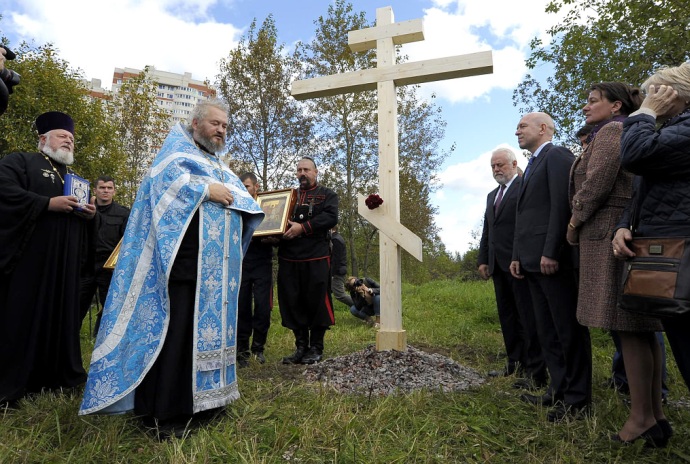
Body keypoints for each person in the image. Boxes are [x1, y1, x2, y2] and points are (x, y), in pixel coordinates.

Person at [79, 99, 264, 439]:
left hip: (215, 275)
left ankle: (209, 404)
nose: (221, 130)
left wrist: (236, 201)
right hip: (179, 269)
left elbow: (245, 201)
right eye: (215, 123)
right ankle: (165, 414)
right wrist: (206, 189)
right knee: (176, 337)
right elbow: (164, 187)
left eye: (225, 125)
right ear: (196, 123)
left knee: (207, 336)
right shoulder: (174, 154)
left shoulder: (219, 164)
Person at [567, 82, 668, 446]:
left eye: (593, 101)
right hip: (620, 232)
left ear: (616, 106)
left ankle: (641, 417)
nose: (585, 107)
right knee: (640, 328)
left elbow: (597, 183)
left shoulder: (612, 130)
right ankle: (654, 415)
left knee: (629, 328)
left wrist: (575, 221)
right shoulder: (622, 130)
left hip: (607, 235)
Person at [613, 62, 690, 446]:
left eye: (654, 92)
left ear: (674, 93)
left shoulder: (683, 129)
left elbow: (634, 156)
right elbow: (645, 185)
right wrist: (625, 223)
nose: (647, 99)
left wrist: (643, 114)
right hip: (667, 255)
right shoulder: (671, 132)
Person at [0, 111, 96, 406]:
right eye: (63, 136)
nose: (69, 141)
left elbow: (79, 222)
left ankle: (57, 376)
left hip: (63, 265)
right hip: (30, 261)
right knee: (22, 317)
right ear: (43, 139)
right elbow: (4, 192)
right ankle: (13, 383)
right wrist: (45, 203)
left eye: (71, 139)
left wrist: (90, 216)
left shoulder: (73, 178)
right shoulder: (20, 162)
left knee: (61, 316)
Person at [510, 112, 592, 422]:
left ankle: (578, 400)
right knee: (547, 331)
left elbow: (562, 205)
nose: (517, 130)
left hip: (551, 261)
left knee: (566, 330)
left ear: (543, 128)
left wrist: (552, 251)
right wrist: (517, 254)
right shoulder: (530, 165)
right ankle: (558, 391)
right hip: (530, 262)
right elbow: (525, 215)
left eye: (523, 126)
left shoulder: (557, 155)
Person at [477, 147, 546, 388]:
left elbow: (524, 228)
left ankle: (535, 368)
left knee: (527, 318)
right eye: (493, 166)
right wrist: (483, 259)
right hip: (498, 265)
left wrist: (518, 256)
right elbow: (489, 230)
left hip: (520, 264)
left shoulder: (524, 188)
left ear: (514, 164)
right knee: (507, 317)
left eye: (501, 165)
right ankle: (514, 362)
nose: (496, 169)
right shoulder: (491, 195)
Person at [278, 156, 338, 365]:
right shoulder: (288, 196)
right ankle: (300, 347)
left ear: (316, 172)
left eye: (306, 169)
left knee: (317, 302)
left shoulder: (327, 195)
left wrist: (302, 228)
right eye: (299, 170)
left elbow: (331, 217)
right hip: (289, 259)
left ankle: (316, 348)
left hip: (316, 257)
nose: (302, 173)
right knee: (293, 302)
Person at [79, 175, 130, 336]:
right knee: (76, 306)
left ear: (114, 191)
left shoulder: (123, 213)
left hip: (109, 270)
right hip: (85, 266)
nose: (105, 191)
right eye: (102, 188)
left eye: (109, 188)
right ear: (95, 190)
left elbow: (127, 243)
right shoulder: (83, 210)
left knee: (109, 308)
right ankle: (69, 337)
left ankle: (103, 338)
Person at [237, 172, 275, 367]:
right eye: (241, 186)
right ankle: (241, 350)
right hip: (241, 263)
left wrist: (274, 238)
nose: (244, 190)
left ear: (256, 187)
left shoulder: (268, 206)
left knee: (262, 307)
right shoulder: (236, 207)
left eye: (247, 186)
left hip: (262, 263)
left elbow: (277, 231)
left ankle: (258, 349)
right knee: (241, 307)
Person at [330, 227, 354, 308]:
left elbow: (336, 259)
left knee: (340, 295)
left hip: (337, 272)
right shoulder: (336, 238)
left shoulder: (336, 240)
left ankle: (360, 306)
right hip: (337, 270)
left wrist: (332, 274)